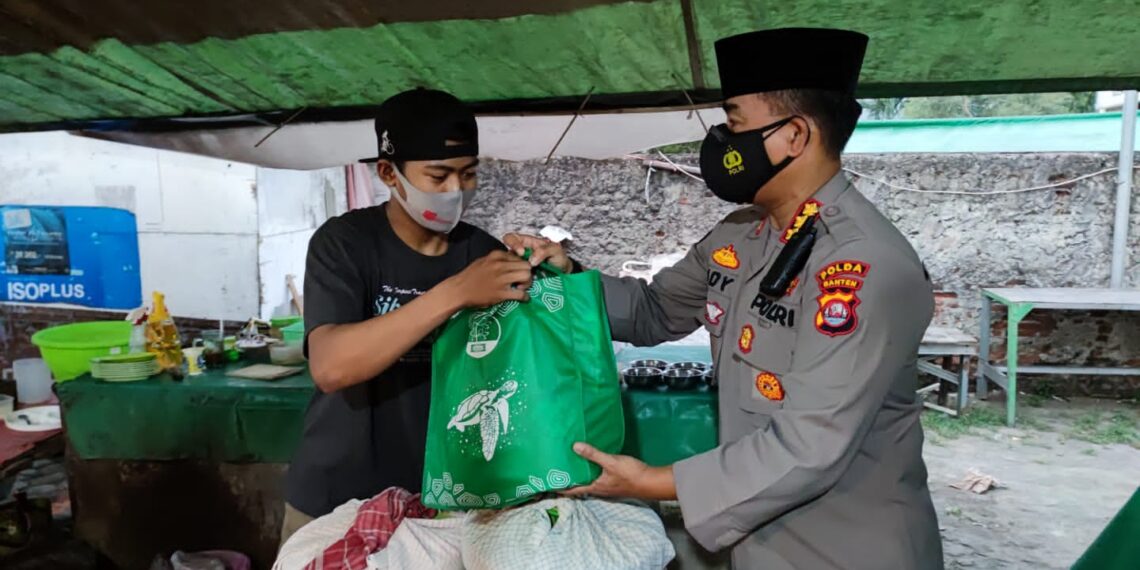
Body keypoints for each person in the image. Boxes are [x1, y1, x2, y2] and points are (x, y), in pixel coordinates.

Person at [506, 28, 944, 569]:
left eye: (735, 123)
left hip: (845, 547)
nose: (721, 141)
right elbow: (653, 311)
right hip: (760, 539)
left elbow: (809, 445)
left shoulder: (861, 266)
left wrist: (650, 482)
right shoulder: (742, 235)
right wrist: (565, 275)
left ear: (794, 137)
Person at [281, 89, 533, 546]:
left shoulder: (482, 255)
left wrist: (555, 271)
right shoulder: (346, 244)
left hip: (442, 501)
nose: (456, 190)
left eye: (468, 174)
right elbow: (332, 366)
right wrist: (455, 293)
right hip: (337, 498)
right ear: (388, 174)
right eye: (438, 175)